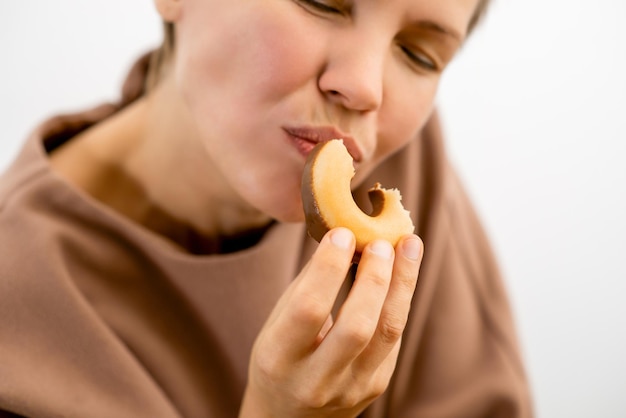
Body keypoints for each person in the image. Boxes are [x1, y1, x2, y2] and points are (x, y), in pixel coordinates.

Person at [0, 0, 533, 417]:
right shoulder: (18, 317)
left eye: (418, 54)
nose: (365, 87)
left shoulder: (400, 170)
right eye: (322, 2)